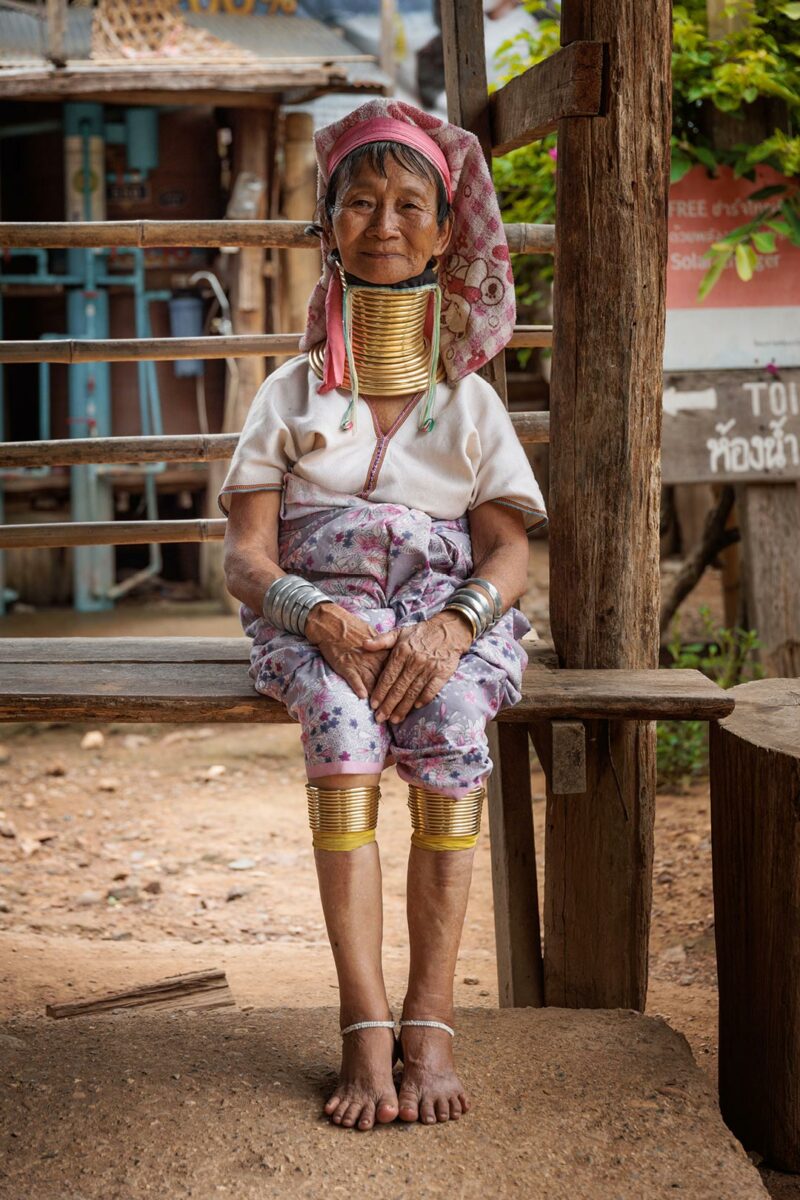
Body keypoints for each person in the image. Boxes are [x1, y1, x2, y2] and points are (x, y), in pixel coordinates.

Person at [221, 99, 547, 1132]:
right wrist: (312, 617)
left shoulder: (469, 403)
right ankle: (365, 1026)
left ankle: (432, 1020)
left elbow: (507, 549)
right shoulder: (287, 393)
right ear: (328, 230)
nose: (386, 223)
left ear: (448, 233)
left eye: (411, 204)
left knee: (452, 726)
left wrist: (452, 627)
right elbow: (243, 556)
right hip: (316, 621)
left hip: (439, 617)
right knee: (342, 732)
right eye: (360, 203)